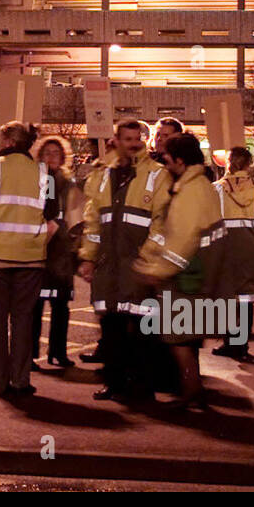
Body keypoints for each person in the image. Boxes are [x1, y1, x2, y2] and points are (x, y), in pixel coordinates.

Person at [0, 121, 59, 399]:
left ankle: (0, 384)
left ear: (7, 142)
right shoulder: (45, 176)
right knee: (23, 320)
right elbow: (52, 212)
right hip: (30, 257)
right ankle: (21, 380)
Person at [77, 118, 171, 402]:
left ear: (143, 141)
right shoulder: (102, 175)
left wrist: (148, 260)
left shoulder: (157, 174)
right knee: (112, 327)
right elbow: (93, 221)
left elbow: (162, 223)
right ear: (116, 141)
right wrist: (88, 258)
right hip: (109, 266)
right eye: (126, 139)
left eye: (136, 139)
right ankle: (115, 382)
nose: (132, 144)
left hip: (138, 265)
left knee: (143, 331)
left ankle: (142, 386)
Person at [132, 133, 226, 409]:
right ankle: (192, 389)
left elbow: (182, 239)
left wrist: (158, 270)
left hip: (187, 275)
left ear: (180, 160)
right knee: (185, 337)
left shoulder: (189, 191)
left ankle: (192, 391)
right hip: (199, 271)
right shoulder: (199, 185)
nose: (165, 162)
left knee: (179, 339)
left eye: (168, 158)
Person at [212, 146, 254, 361]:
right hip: (248, 245)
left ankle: (229, 342)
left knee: (227, 296)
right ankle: (241, 345)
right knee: (246, 297)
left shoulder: (217, 188)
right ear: (249, 164)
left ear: (229, 163)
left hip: (224, 246)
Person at [31, 135, 82, 369]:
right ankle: (29, 355)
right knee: (34, 308)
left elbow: (76, 216)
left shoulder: (68, 182)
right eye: (47, 153)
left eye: (55, 153)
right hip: (38, 249)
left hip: (60, 252)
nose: (51, 157)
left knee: (61, 307)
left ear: (63, 157)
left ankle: (58, 352)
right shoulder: (34, 180)